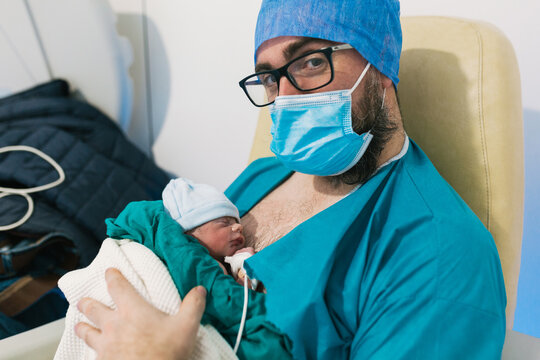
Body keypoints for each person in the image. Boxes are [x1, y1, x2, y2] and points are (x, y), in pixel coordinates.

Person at [76, 0, 507, 359]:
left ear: (380, 64)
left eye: (312, 62)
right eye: (268, 78)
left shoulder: (438, 254)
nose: (286, 99)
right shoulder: (264, 174)